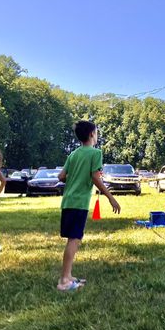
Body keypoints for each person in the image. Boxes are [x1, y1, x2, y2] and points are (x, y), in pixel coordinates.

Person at [56, 121, 121, 291]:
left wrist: (75, 176)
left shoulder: (73, 154)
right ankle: (64, 281)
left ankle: (68, 275)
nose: (97, 135)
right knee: (74, 240)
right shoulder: (95, 153)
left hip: (68, 201)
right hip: (79, 203)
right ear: (92, 134)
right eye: (97, 132)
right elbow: (95, 178)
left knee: (73, 238)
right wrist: (111, 198)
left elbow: (61, 176)